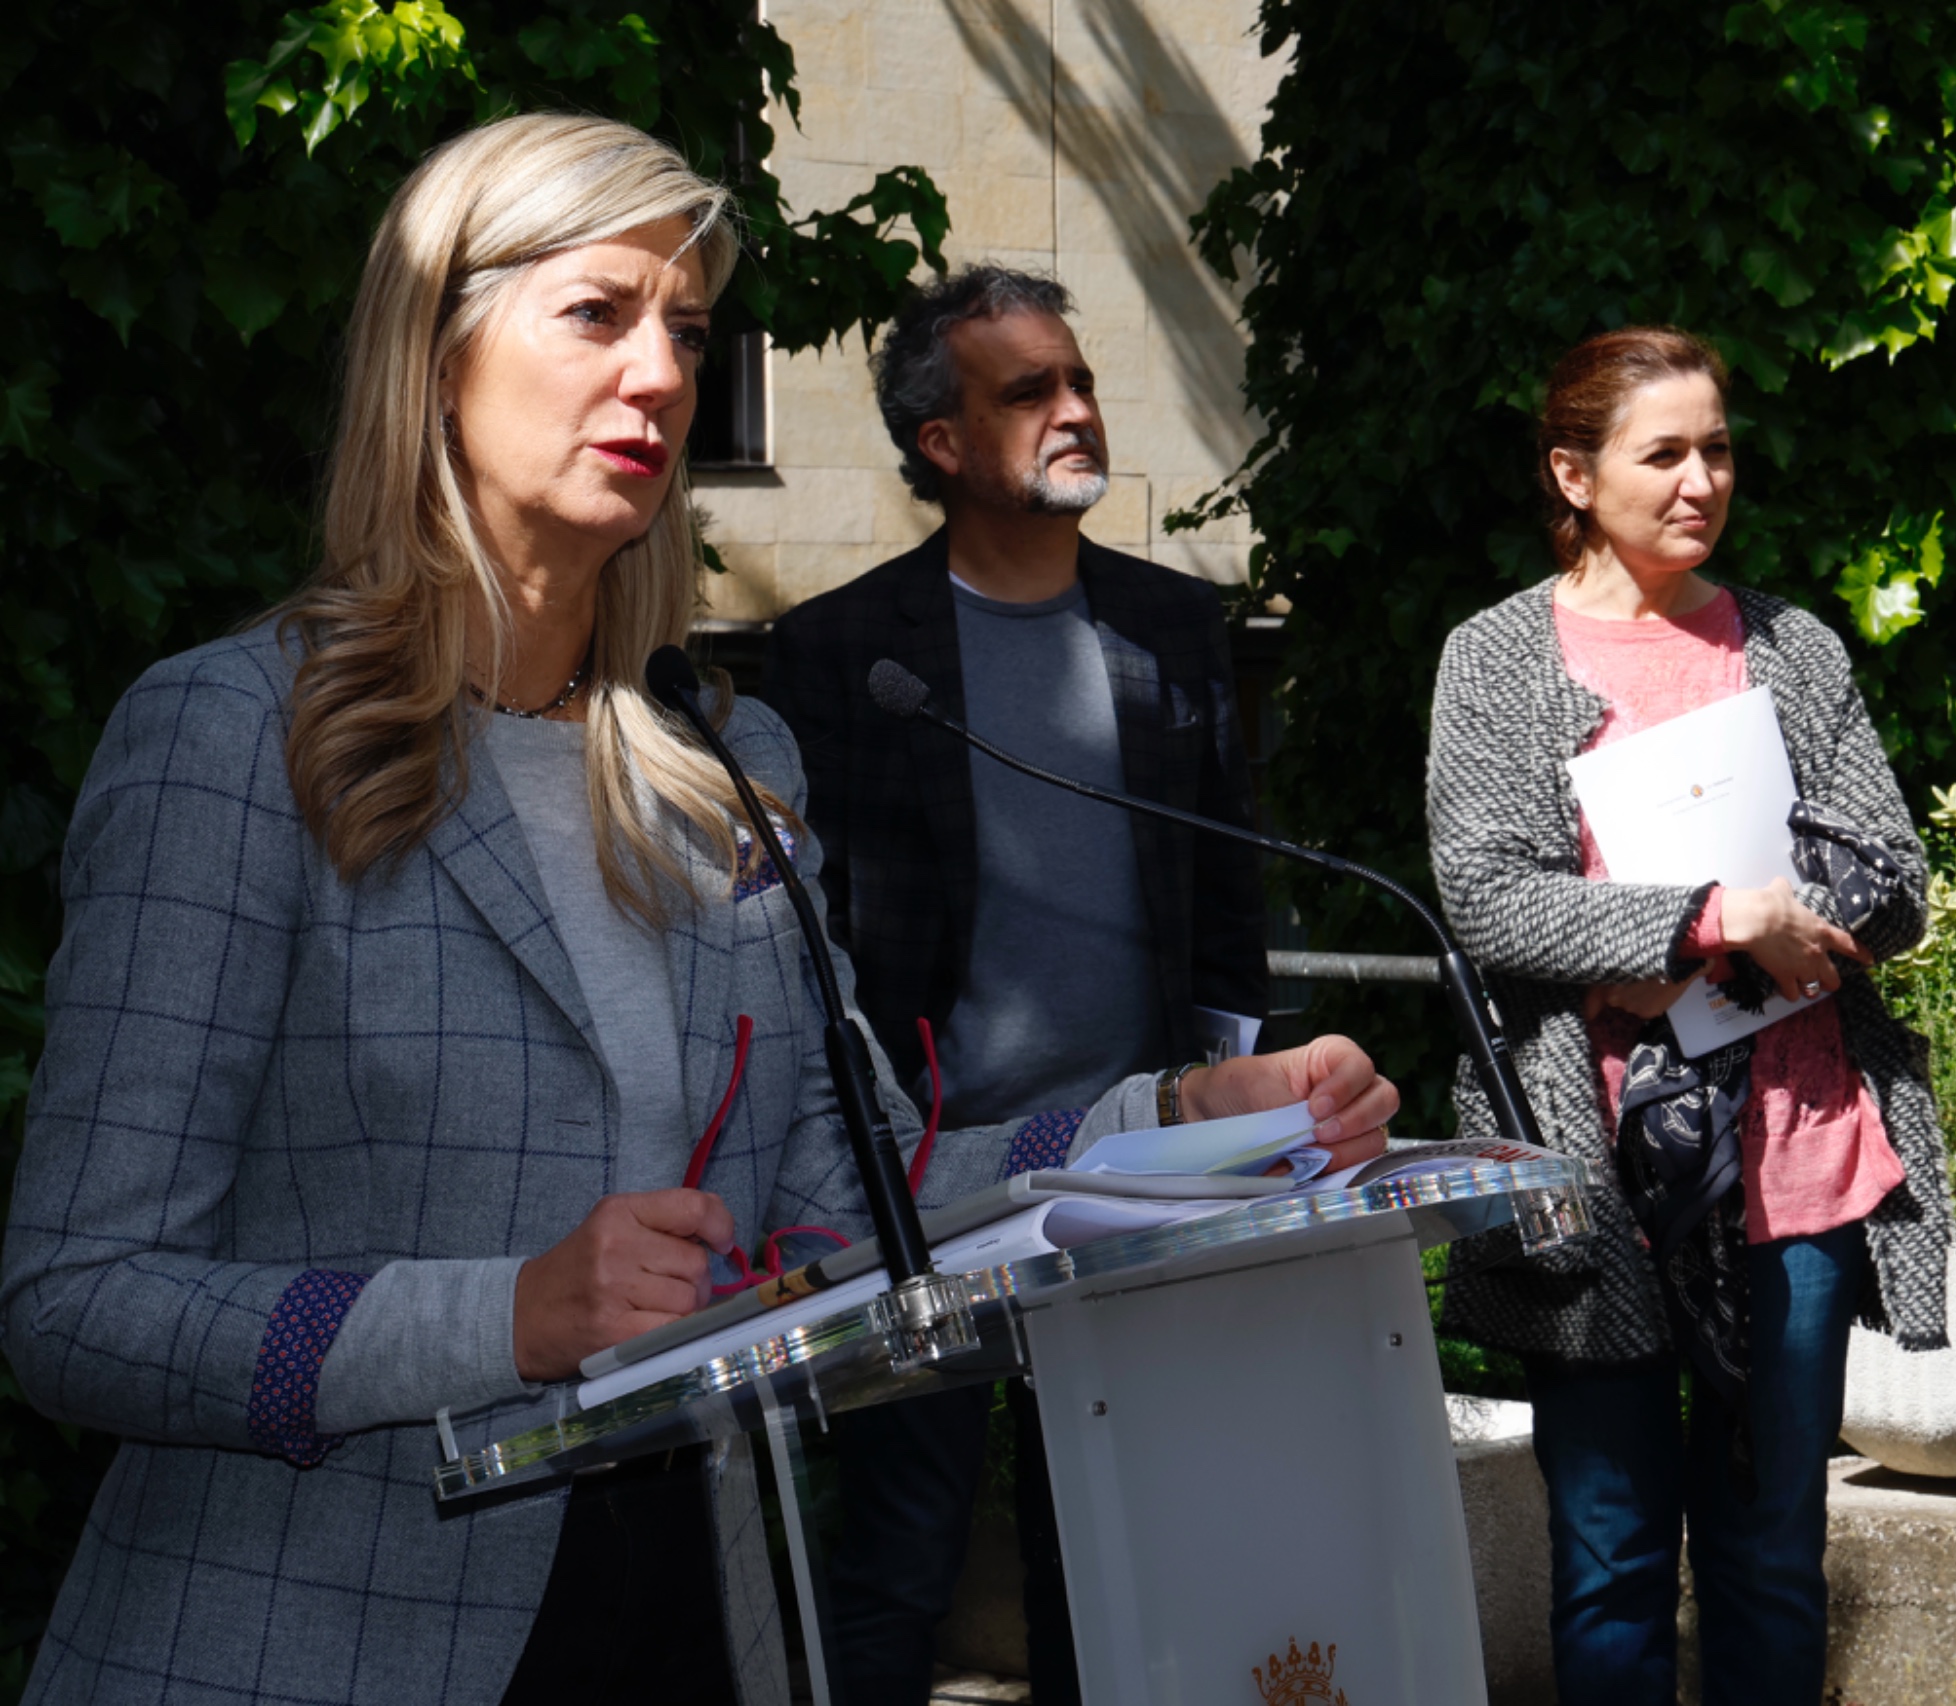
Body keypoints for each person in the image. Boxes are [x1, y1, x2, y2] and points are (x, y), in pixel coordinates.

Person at [0, 114, 1394, 1706]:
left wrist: (1176, 1121)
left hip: (700, 1621)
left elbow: (855, 1197)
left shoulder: (730, 768)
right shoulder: (236, 740)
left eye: (686, 329)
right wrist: (502, 1316)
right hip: (314, 1645)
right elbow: (76, 1300)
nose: (662, 376)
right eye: (598, 314)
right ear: (436, 357)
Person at [1425, 325, 1954, 1706]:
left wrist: (1786, 922)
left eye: (1716, 448)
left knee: (1771, 1554)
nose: (1701, 479)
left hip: (1797, 1164)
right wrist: (1711, 918)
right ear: (1573, 473)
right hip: (1592, 1183)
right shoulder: (1495, 658)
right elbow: (1488, 896)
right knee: (1607, 1561)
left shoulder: (1790, 647)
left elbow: (1896, 878)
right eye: (1662, 452)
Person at [762, 264, 1269, 1704]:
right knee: (899, 1559)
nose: (1076, 408)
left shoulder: (1175, 627)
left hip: (1131, 1172)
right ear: (942, 442)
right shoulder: (839, 651)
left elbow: (1227, 898)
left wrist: (1232, 1126)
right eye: (1029, 389)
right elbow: (811, 939)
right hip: (927, 1185)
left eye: (1080, 378)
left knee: (1112, 1561)